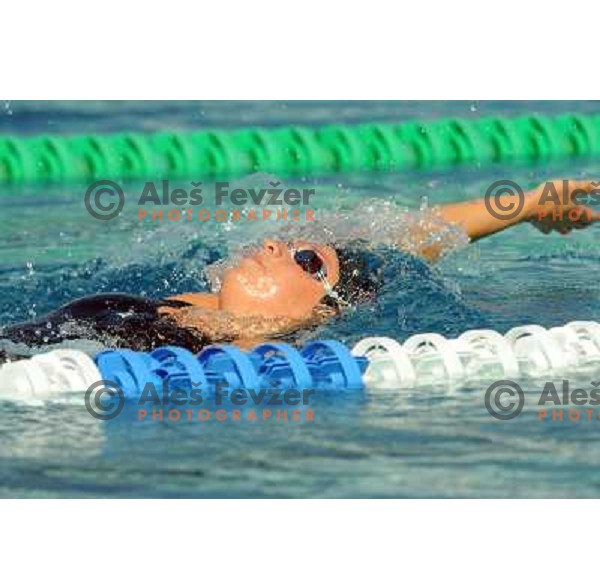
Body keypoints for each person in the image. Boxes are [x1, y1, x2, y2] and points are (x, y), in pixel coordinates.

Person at [1, 179, 598, 362]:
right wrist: (525, 203)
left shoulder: (231, 356)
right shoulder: (189, 307)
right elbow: (402, 237)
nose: (281, 245)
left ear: (322, 310)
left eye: (307, 260)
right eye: (290, 242)